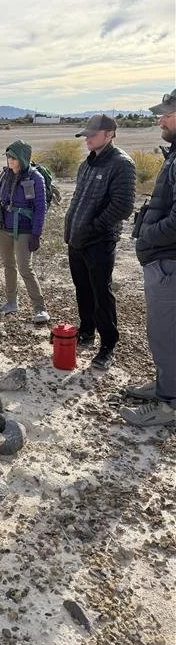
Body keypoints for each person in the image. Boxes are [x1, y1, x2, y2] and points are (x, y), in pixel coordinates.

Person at [121, 89, 176, 427]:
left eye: (167, 113)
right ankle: (165, 387)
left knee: (166, 332)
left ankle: (168, 405)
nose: (160, 119)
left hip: (168, 261)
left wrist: (148, 237)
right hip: (165, 260)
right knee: (164, 331)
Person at [64, 114, 136, 370]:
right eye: (86, 134)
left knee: (100, 292)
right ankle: (86, 331)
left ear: (110, 134)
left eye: (92, 135)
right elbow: (77, 200)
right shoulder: (87, 164)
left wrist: (93, 228)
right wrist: (70, 229)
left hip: (99, 242)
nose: (88, 139)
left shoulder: (121, 164)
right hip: (77, 240)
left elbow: (123, 206)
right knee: (82, 288)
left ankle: (108, 345)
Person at [0, 139, 50, 324]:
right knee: (8, 266)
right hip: (3, 227)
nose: (9, 160)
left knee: (25, 268)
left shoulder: (35, 178)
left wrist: (36, 234)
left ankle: (40, 308)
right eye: (8, 157)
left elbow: (40, 208)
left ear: (22, 158)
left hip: (24, 230)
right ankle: (11, 302)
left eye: (13, 157)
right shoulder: (4, 176)